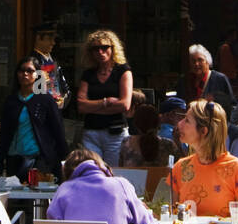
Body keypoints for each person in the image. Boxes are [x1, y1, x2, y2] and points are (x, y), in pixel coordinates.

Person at [0, 57, 68, 180]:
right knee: (15, 197)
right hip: (13, 158)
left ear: (37, 74)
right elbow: (4, 134)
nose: (25, 74)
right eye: (21, 70)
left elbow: (58, 131)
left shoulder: (45, 100)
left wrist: (64, 160)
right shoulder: (11, 101)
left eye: (29, 71)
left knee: (35, 195)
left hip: (38, 159)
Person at [76, 30, 133, 167]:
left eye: (105, 47)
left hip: (115, 133)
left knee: (114, 172)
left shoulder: (123, 71)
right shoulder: (88, 74)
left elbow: (124, 105)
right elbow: (81, 106)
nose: (100, 52)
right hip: (91, 132)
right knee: (91, 171)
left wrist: (93, 108)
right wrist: (105, 102)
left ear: (113, 48)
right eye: (96, 49)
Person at [175, 44, 235, 115]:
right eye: (193, 61)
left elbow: (231, 104)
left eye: (200, 60)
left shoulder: (220, 79)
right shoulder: (184, 81)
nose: (196, 64)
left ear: (207, 62)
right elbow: (179, 105)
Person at [118, 101, 179, 169]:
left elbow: (122, 169)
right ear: (158, 123)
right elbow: (182, 168)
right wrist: (178, 143)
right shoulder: (169, 145)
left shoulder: (126, 143)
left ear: (136, 124)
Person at [29, 22, 69, 111]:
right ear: (38, 38)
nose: (53, 43)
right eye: (50, 39)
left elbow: (64, 87)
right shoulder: (32, 62)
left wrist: (63, 100)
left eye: (53, 39)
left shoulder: (54, 61)